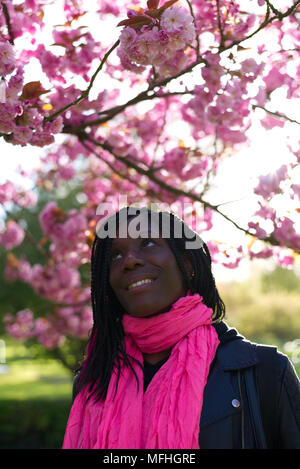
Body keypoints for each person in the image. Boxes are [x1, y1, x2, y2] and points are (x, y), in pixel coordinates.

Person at [62, 206, 300, 449]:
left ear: (186, 265)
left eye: (147, 243)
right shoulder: (93, 383)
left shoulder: (266, 371)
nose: (130, 260)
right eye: (116, 255)